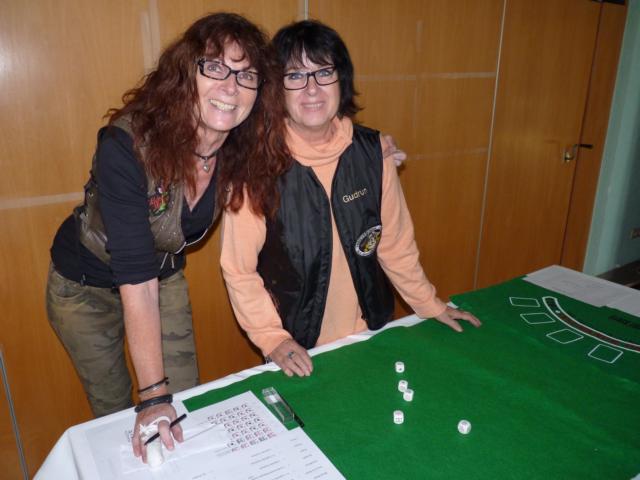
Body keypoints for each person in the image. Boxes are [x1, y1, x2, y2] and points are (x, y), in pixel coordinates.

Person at [46, 12, 288, 462]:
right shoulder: (127, 145)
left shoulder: (244, 144)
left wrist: (370, 149)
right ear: (185, 73)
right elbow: (135, 277)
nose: (230, 87)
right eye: (214, 67)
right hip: (84, 289)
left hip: (161, 276)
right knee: (121, 413)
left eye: (246, 74)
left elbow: (309, 138)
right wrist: (153, 396)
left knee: (183, 407)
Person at [220, 20, 481, 377]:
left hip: (371, 332)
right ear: (276, 89)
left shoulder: (373, 154)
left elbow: (395, 244)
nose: (312, 89)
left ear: (341, 79)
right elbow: (239, 270)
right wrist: (272, 338)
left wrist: (429, 303)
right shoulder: (254, 168)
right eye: (295, 76)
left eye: (324, 72)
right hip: (298, 349)